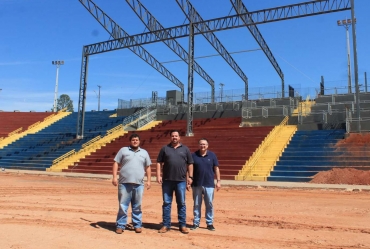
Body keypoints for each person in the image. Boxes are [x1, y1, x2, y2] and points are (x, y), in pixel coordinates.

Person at [112, 133, 152, 234]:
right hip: (124, 183)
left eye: (136, 140)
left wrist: (149, 180)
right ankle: (121, 225)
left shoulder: (144, 152)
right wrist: (114, 177)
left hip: (139, 184)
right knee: (123, 205)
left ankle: (137, 224)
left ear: (139, 141)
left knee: (137, 205)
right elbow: (116, 163)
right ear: (130, 141)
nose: (135, 141)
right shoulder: (123, 150)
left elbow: (148, 167)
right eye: (133, 140)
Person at [156, 130, 194, 234]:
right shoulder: (165, 149)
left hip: (181, 181)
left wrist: (190, 177)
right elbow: (159, 162)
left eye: (176, 136)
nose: (174, 138)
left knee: (181, 203)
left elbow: (190, 163)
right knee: (167, 203)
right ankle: (166, 225)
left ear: (179, 137)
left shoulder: (185, 149)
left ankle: (182, 225)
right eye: (172, 136)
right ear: (170, 137)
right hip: (167, 180)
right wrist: (158, 175)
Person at [190, 138, 221, 231]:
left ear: (207, 145)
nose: (202, 146)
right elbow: (190, 168)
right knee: (196, 204)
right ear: (198, 145)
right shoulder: (193, 155)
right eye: (201, 144)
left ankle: (209, 223)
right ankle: (196, 222)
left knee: (209, 204)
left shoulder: (212, 155)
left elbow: (216, 168)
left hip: (209, 183)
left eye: (204, 144)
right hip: (196, 183)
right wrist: (189, 180)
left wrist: (218, 181)